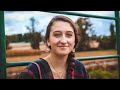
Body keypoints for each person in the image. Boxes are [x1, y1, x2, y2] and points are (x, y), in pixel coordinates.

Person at [18, 15, 89, 79]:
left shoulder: (80, 68)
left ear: (74, 42)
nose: (63, 41)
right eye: (57, 35)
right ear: (48, 41)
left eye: (69, 35)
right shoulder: (33, 71)